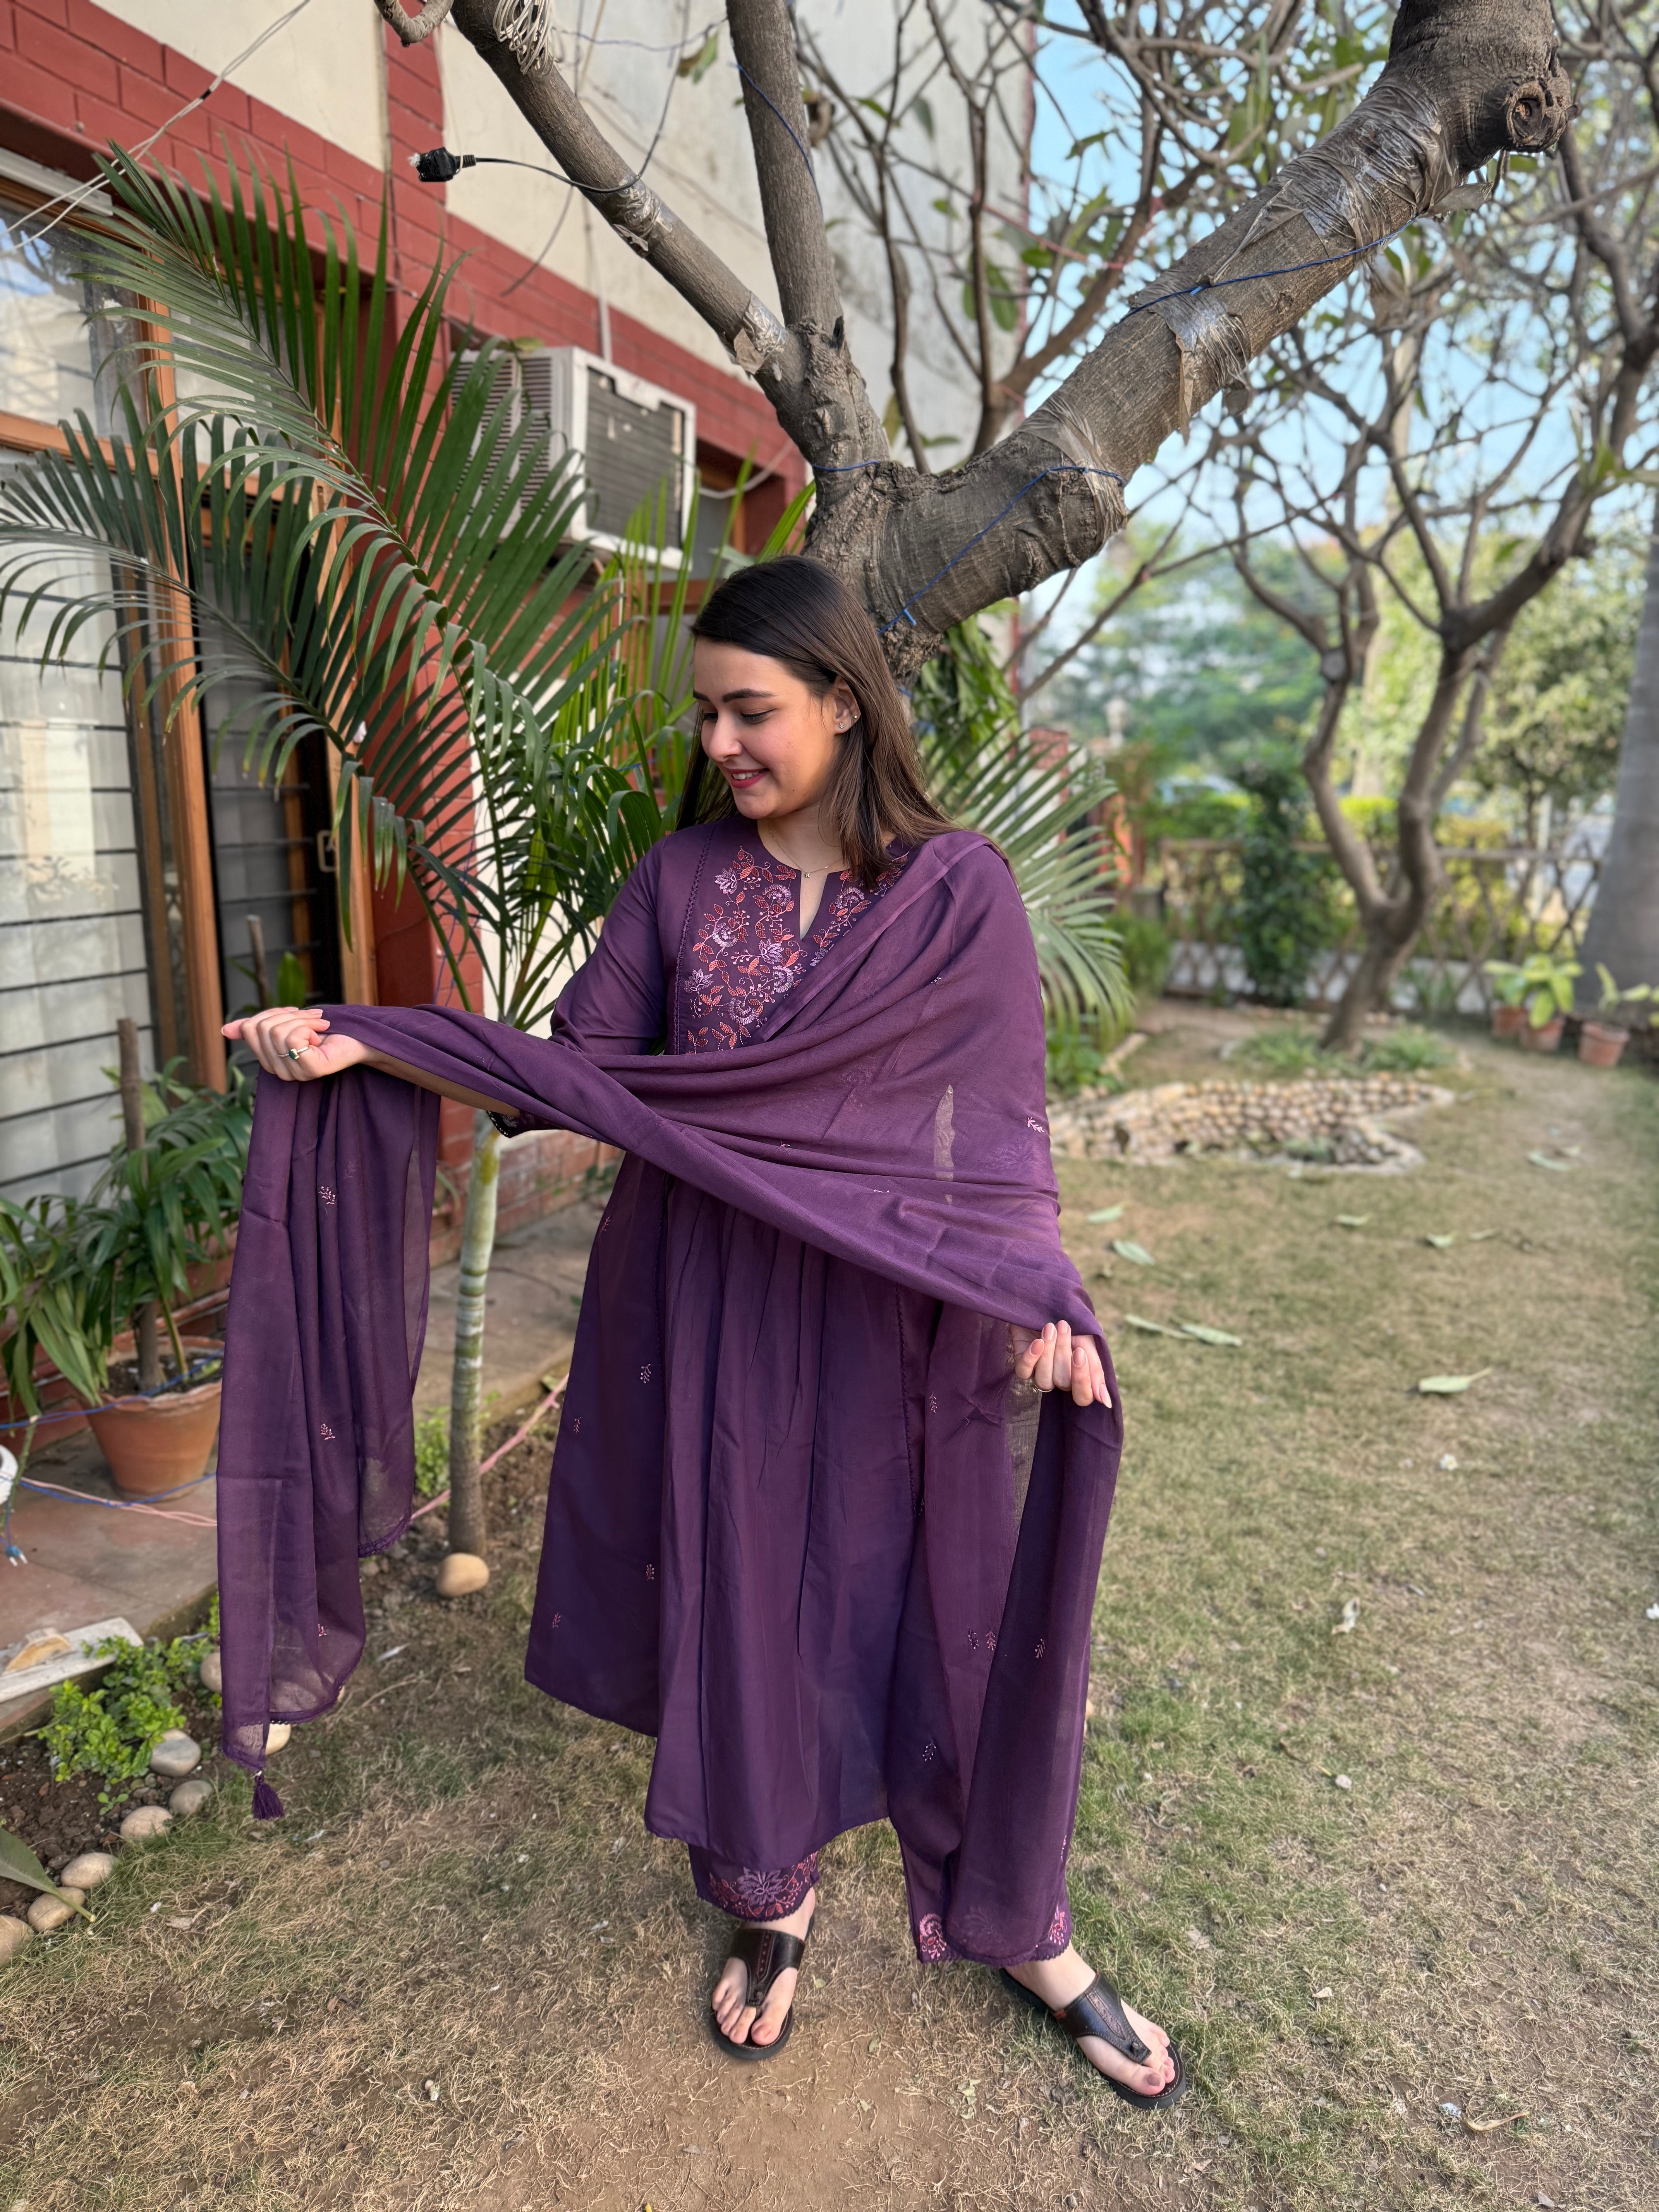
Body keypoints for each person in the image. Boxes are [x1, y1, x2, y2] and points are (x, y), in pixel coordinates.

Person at [220, 556, 1182, 2107]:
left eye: (752, 712)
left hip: (887, 1308)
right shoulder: (676, 883)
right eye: (708, 715)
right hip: (708, 1303)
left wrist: (1039, 1296)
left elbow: (999, 1124)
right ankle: (769, 1897)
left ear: (844, 704)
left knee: (933, 1605)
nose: (721, 744)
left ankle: (1021, 1924)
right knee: (745, 1600)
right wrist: (366, 1043)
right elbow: (578, 1074)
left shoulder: (958, 890)